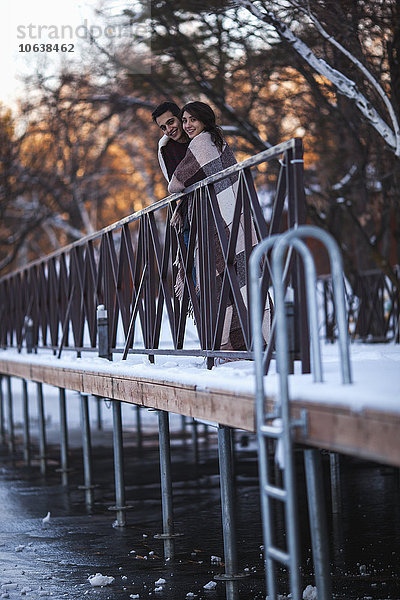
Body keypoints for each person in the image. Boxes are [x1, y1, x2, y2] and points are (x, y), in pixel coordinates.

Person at [168, 101, 271, 351]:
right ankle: (258, 339)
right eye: (184, 120)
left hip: (220, 224)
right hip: (234, 220)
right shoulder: (218, 141)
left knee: (221, 283)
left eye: (192, 119)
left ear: (204, 119)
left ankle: (225, 346)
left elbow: (176, 182)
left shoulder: (201, 143)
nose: (187, 125)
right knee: (244, 281)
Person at [152, 101, 190, 182]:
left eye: (170, 122)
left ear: (180, 117)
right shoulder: (167, 149)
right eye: (163, 128)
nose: (169, 129)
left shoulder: (199, 136)